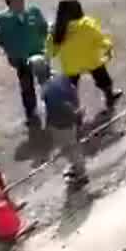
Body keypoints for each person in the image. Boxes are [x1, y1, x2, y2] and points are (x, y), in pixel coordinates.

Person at [46, 0, 122, 114]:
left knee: (71, 88)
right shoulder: (87, 24)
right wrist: (108, 47)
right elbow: (99, 39)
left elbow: (51, 51)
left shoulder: (56, 30)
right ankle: (109, 98)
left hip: (71, 65)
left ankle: (74, 111)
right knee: (104, 80)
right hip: (91, 60)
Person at [0, 0, 50, 132]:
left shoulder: (33, 11)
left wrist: (44, 45)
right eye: (16, 3)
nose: (20, 5)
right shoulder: (2, 20)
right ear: (9, 6)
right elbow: (0, 39)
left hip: (38, 53)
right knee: (26, 86)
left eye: (21, 1)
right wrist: (12, 51)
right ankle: (31, 113)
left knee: (46, 80)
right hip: (20, 59)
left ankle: (52, 105)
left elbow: (43, 28)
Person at [34, 56, 87, 189]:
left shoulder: (47, 89)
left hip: (61, 123)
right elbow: (73, 91)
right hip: (70, 118)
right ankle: (77, 167)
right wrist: (77, 109)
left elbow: (60, 107)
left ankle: (80, 174)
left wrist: (73, 115)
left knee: (69, 148)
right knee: (71, 145)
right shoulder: (60, 77)